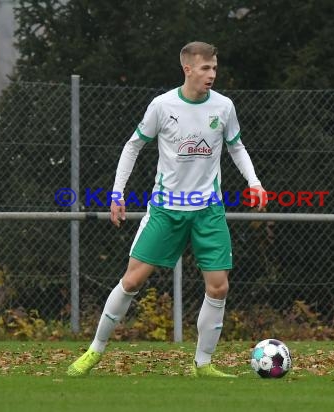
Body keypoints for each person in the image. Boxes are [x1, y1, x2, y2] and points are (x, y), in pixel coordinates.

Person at [67, 41, 266, 378]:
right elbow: (133, 146)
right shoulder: (162, 106)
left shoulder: (224, 107)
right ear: (187, 68)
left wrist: (254, 182)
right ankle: (94, 352)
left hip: (208, 210)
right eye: (205, 68)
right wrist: (117, 194)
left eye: (214, 68)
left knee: (219, 287)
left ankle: (202, 364)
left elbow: (236, 147)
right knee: (131, 281)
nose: (212, 74)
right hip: (166, 210)